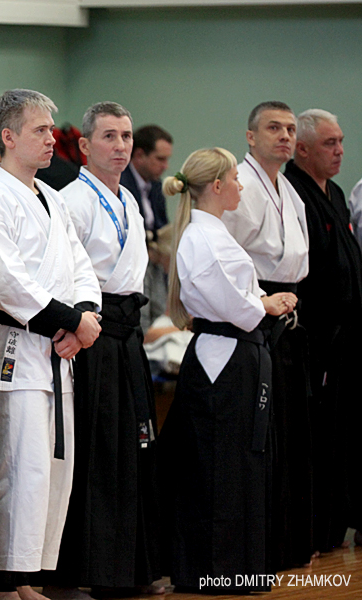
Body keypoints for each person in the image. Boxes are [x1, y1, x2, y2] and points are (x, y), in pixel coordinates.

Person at [0, 89, 102, 600]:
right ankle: (7, 583)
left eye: (50, 129)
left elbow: (80, 265)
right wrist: (69, 322)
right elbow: (8, 280)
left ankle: (33, 579)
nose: (51, 139)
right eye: (40, 130)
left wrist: (86, 315)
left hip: (59, 352)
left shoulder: (52, 197)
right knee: (19, 468)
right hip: (18, 349)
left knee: (52, 473)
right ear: (8, 136)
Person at [158, 147, 296, 593]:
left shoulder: (216, 234)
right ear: (216, 186)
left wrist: (265, 303)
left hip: (239, 356)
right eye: (236, 177)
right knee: (221, 467)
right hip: (224, 360)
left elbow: (241, 296)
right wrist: (267, 303)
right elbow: (234, 305)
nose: (241, 185)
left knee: (245, 464)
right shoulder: (203, 238)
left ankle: (243, 565)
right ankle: (215, 569)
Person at [48, 101, 161, 597]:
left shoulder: (130, 202)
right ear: (86, 146)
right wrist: (76, 325)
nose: (120, 146)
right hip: (91, 332)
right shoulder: (71, 199)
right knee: (95, 453)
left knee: (134, 452)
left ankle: (130, 570)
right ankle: (82, 574)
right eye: (110, 137)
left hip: (128, 333)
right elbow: (62, 275)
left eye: (126, 136)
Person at [219, 101, 313, 570]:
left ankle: (288, 539)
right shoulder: (242, 183)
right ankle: (263, 544)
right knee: (266, 432)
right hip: (257, 311)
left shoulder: (287, 187)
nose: (285, 136)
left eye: (291, 129)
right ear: (251, 136)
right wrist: (259, 305)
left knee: (292, 430)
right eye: (274, 128)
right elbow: (228, 256)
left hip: (291, 309)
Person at [284, 109, 362, 553]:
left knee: (344, 438)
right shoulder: (295, 192)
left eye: (341, 141)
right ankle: (312, 530)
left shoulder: (334, 192)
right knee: (317, 439)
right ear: (304, 150)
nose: (339, 151)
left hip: (348, 339)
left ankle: (335, 526)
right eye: (330, 144)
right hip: (315, 339)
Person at [121, 125, 173, 331]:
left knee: (159, 311)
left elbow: (161, 225)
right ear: (140, 155)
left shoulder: (156, 186)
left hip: (154, 261)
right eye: (160, 159)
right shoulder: (122, 182)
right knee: (142, 319)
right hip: (133, 262)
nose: (165, 166)